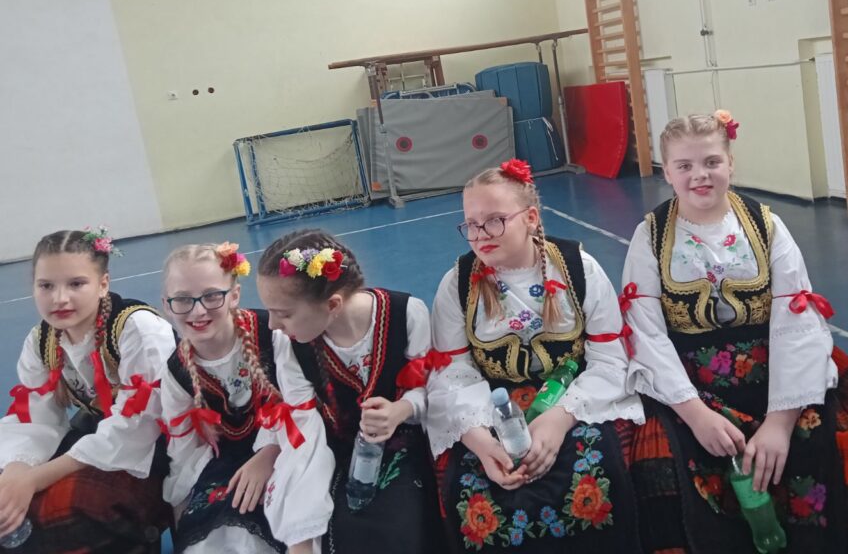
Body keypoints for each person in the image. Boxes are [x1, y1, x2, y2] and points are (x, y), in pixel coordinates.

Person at [624, 112, 848, 553]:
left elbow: (798, 319)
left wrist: (780, 421)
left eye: (712, 162)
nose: (700, 175)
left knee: (844, 443)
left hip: (777, 371)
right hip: (688, 384)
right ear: (667, 173)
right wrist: (696, 414)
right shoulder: (650, 236)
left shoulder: (766, 225)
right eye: (684, 166)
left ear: (731, 163)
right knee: (664, 464)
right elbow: (645, 332)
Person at [427, 159, 644, 553]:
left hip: (574, 401)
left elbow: (610, 359)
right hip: (490, 410)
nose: (481, 235)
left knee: (594, 473)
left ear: (530, 218)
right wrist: (481, 441)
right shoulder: (457, 284)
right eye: (471, 224)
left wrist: (559, 421)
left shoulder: (579, 269)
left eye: (495, 221)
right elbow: (452, 373)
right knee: (475, 491)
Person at [255, 229, 440, 554]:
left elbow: (436, 389)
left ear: (333, 304)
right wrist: (301, 535)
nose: (271, 324)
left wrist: (401, 410)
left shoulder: (406, 313)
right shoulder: (290, 345)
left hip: (406, 445)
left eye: (284, 314)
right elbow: (304, 434)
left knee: (399, 523)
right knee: (344, 528)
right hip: (335, 453)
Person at [0, 228, 175, 552]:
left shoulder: (138, 329)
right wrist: (15, 472)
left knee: (74, 504)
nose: (60, 298)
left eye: (76, 284)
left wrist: (36, 478)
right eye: (46, 286)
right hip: (100, 434)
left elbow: (137, 427)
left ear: (103, 284)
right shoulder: (42, 340)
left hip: (160, 443)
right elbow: (35, 418)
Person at [159, 242, 314, 553]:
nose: (198, 311)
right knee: (211, 532)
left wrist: (269, 454)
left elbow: (302, 408)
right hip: (223, 465)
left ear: (234, 295)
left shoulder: (273, 336)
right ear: (167, 305)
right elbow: (184, 451)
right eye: (183, 299)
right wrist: (182, 514)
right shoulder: (176, 371)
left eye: (212, 296)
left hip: (287, 450)